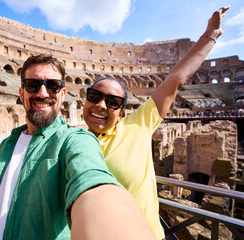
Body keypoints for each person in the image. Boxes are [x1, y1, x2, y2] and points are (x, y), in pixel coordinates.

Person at [0, 54, 155, 239]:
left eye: (53, 86)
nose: (42, 93)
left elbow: (92, 180)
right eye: (33, 85)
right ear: (22, 93)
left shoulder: (74, 139)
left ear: (62, 94)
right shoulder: (9, 143)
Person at [82, 6, 229, 240]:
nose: (101, 105)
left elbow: (175, 80)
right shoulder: (71, 141)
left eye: (112, 101)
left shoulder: (137, 125)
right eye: (94, 97)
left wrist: (210, 35)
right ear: (85, 101)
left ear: (121, 110)